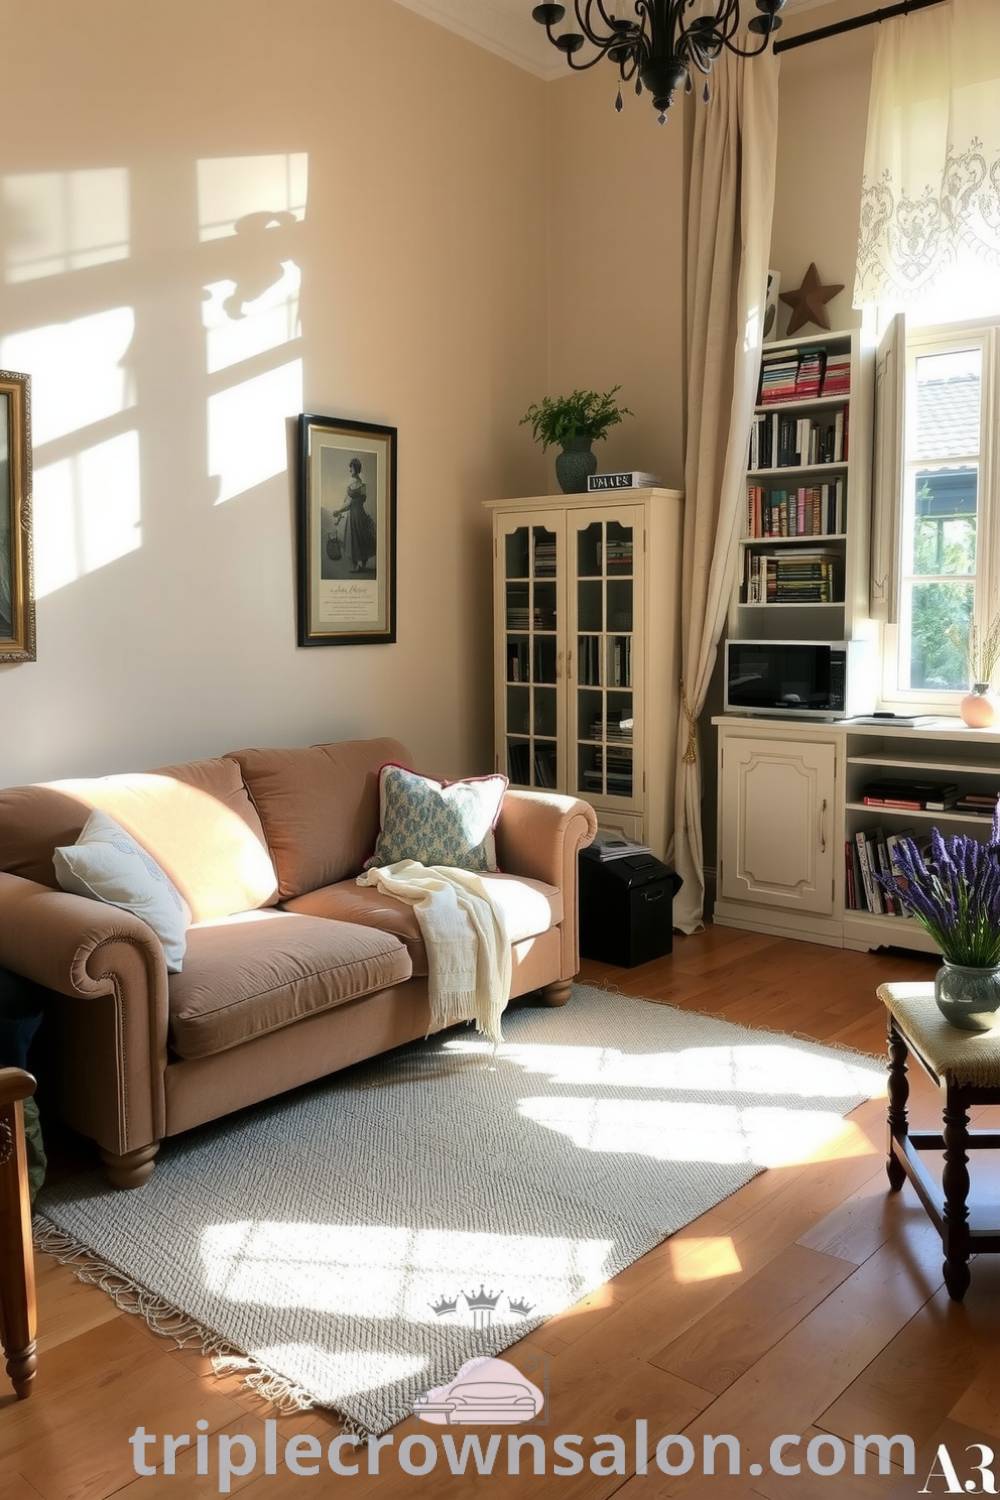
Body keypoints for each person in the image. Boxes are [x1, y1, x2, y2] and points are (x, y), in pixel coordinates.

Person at [333, 457, 377, 573]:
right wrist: (339, 511)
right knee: (352, 540)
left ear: (356, 468)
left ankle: (361, 565)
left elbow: (358, 502)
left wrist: (340, 510)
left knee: (363, 538)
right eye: (349, 468)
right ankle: (357, 566)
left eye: (351, 468)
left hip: (360, 515)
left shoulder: (362, 486)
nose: (349, 470)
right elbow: (347, 503)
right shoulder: (350, 487)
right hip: (352, 515)